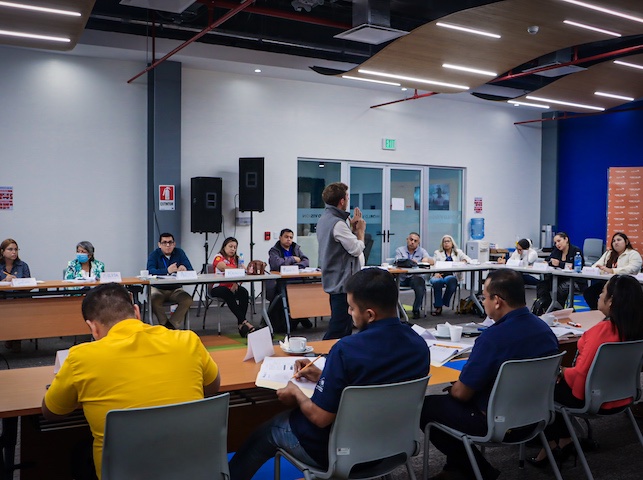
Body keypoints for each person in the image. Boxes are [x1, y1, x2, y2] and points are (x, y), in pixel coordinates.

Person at [228, 268, 430, 480]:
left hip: (338, 453)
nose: (349, 312)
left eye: (352, 308)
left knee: (266, 431)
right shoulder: (419, 345)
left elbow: (320, 417)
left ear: (370, 315)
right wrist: (324, 376)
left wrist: (295, 392)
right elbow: (377, 378)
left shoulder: (346, 349)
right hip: (393, 447)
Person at [42, 283, 220, 480]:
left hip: (124, 473)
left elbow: (51, 412)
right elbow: (212, 386)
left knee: (79, 452)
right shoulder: (188, 340)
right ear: (136, 312)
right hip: (195, 469)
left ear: (93, 327)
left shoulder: (79, 358)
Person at [420, 269, 559, 480]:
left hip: (498, 422)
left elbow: (461, 394)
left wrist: (456, 388)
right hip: (536, 418)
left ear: (497, 301)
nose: (483, 302)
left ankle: (478, 470)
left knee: (426, 407)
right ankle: (457, 468)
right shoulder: (545, 331)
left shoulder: (493, 338)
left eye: (484, 297)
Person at [529, 275, 643, 468]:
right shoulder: (635, 330)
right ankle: (563, 441)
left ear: (612, 301)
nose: (599, 295)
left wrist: (562, 371)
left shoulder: (600, 332)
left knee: (541, 385)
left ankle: (556, 443)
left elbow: (580, 381)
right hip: (623, 395)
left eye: (603, 291)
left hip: (593, 398)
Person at [316, 182, 366, 339]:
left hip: (335, 278)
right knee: (340, 326)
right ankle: (325, 352)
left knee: (343, 325)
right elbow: (356, 249)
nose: (348, 201)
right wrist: (360, 232)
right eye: (347, 197)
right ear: (342, 201)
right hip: (343, 282)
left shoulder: (325, 219)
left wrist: (351, 229)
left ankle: (340, 351)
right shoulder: (337, 223)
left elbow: (341, 244)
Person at [582, 232, 642, 310]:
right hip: (608, 282)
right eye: (614, 241)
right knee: (589, 293)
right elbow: (597, 265)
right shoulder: (609, 253)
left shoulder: (633, 254)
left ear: (626, 242)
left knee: (615, 297)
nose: (616, 242)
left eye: (619, 240)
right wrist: (598, 269)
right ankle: (598, 312)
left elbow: (631, 269)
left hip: (625, 285)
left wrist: (612, 271)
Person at [267, 229, 313, 330]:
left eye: (291, 237)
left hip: (298, 281)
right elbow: (276, 264)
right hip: (282, 282)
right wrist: (293, 259)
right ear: (280, 238)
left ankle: (302, 316)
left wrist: (294, 266)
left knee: (310, 291)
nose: (289, 239)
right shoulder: (274, 250)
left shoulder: (295, 248)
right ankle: (299, 317)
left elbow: (306, 261)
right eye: (286, 237)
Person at [146, 232, 194, 329]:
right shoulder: (154, 255)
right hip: (158, 289)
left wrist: (184, 268)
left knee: (187, 299)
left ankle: (171, 325)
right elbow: (150, 271)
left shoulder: (179, 253)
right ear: (159, 244)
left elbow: (190, 269)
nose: (168, 245)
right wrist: (167, 271)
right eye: (164, 243)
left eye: (170, 242)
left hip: (175, 289)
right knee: (153, 299)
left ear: (174, 244)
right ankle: (163, 324)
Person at [211, 237, 256, 337]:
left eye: (235, 247)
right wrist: (239, 270)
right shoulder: (218, 257)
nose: (233, 249)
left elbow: (244, 271)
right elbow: (223, 267)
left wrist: (238, 281)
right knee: (227, 293)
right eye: (230, 246)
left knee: (243, 292)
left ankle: (241, 325)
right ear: (224, 247)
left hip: (232, 286)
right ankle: (244, 321)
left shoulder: (237, 259)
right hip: (218, 286)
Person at [533, 232, 584, 314]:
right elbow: (549, 260)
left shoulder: (576, 251)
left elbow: (577, 267)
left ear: (566, 239)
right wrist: (546, 262)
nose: (557, 244)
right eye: (555, 242)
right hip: (558, 278)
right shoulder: (556, 251)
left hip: (574, 280)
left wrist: (559, 264)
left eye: (559, 241)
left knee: (562, 288)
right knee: (542, 285)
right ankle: (545, 306)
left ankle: (557, 310)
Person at [1, 238, 32, 352]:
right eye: (10, 249)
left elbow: (29, 284)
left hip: (20, 298)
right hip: (3, 299)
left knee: (18, 308)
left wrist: (18, 282)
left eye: (16, 249)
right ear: (2, 251)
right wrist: (4, 281)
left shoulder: (23, 265)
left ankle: (16, 337)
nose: (14, 252)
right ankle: (10, 337)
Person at [430, 234, 471, 316]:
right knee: (437, 282)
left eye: (448, 241)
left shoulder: (458, 252)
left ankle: (443, 302)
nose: (446, 243)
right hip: (439, 274)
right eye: (444, 242)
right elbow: (433, 264)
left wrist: (464, 261)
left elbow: (468, 259)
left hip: (451, 275)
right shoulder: (437, 253)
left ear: (452, 243)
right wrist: (435, 273)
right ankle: (438, 307)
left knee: (452, 281)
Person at [395, 232, 434, 319]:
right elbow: (398, 261)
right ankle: (400, 309)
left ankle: (416, 309)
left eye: (415, 241)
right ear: (407, 240)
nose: (412, 242)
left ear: (418, 243)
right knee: (388, 286)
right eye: (411, 240)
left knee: (420, 283)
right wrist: (410, 262)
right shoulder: (400, 250)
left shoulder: (422, 251)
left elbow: (432, 261)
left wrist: (427, 260)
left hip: (415, 278)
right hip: (401, 278)